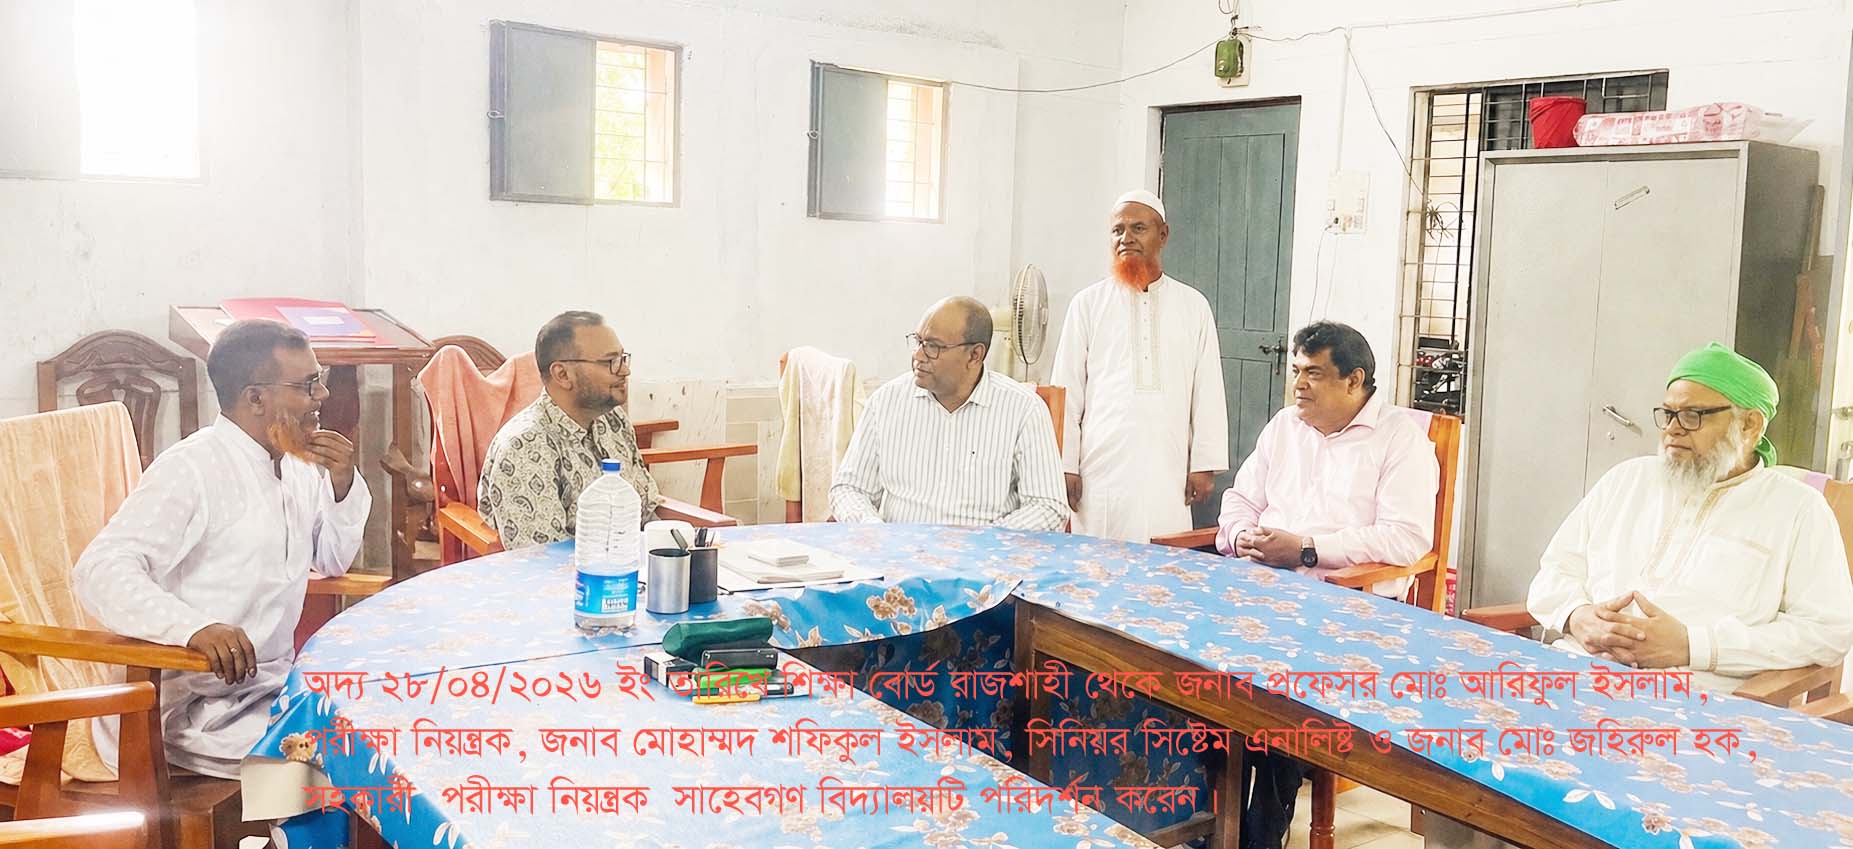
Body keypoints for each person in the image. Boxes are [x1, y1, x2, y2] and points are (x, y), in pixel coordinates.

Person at [72, 319, 370, 779]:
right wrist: (193, 627)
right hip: (189, 706)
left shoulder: (295, 465)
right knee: (338, 756)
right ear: (256, 398)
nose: (322, 396)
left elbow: (329, 559)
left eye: (320, 380)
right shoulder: (191, 468)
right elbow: (100, 569)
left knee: (385, 720)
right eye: (308, 385)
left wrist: (342, 482)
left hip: (271, 690)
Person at [1214, 321, 1438, 849]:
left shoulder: (1400, 439)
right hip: (1262, 591)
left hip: (1347, 609)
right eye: (1296, 371)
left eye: (1313, 373)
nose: (1298, 385)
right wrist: (1242, 535)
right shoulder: (1285, 427)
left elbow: (1407, 538)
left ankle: (1258, 837)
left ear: (1354, 380)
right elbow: (1239, 500)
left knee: (1273, 695)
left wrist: (1308, 549)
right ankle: (1207, 822)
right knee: (1186, 669)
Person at [1526, 342, 1853, 693]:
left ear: (1750, 425)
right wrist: (1577, 615)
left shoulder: (1798, 509)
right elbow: (1554, 571)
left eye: (1693, 415)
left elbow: (1826, 631)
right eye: (1668, 414)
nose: (1673, 429)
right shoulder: (1627, 479)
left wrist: (1693, 646)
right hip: (1576, 670)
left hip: (1690, 695)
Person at [1049, 189, 1227, 541]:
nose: (1126, 238)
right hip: (1100, 468)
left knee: (1164, 554)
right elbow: (1066, 390)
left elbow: (1207, 389)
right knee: (1097, 558)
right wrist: (1065, 465)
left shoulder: (1193, 306)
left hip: (1168, 467)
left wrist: (1204, 464)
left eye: (1138, 228)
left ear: (1163, 235)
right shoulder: (1087, 304)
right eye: (1117, 230)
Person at [830, 296, 1068, 530]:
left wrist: (983, 539)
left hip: (985, 551)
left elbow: (1048, 507)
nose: (918, 355)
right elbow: (850, 488)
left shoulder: (1023, 409)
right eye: (918, 341)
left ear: (974, 355)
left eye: (933, 346)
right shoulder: (886, 401)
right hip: (898, 549)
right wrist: (875, 530)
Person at [479, 310, 661, 546]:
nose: (624, 370)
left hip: (633, 557)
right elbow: (541, 556)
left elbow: (645, 510)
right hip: (580, 567)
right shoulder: (524, 446)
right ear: (562, 374)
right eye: (610, 362)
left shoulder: (613, 420)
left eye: (622, 358)